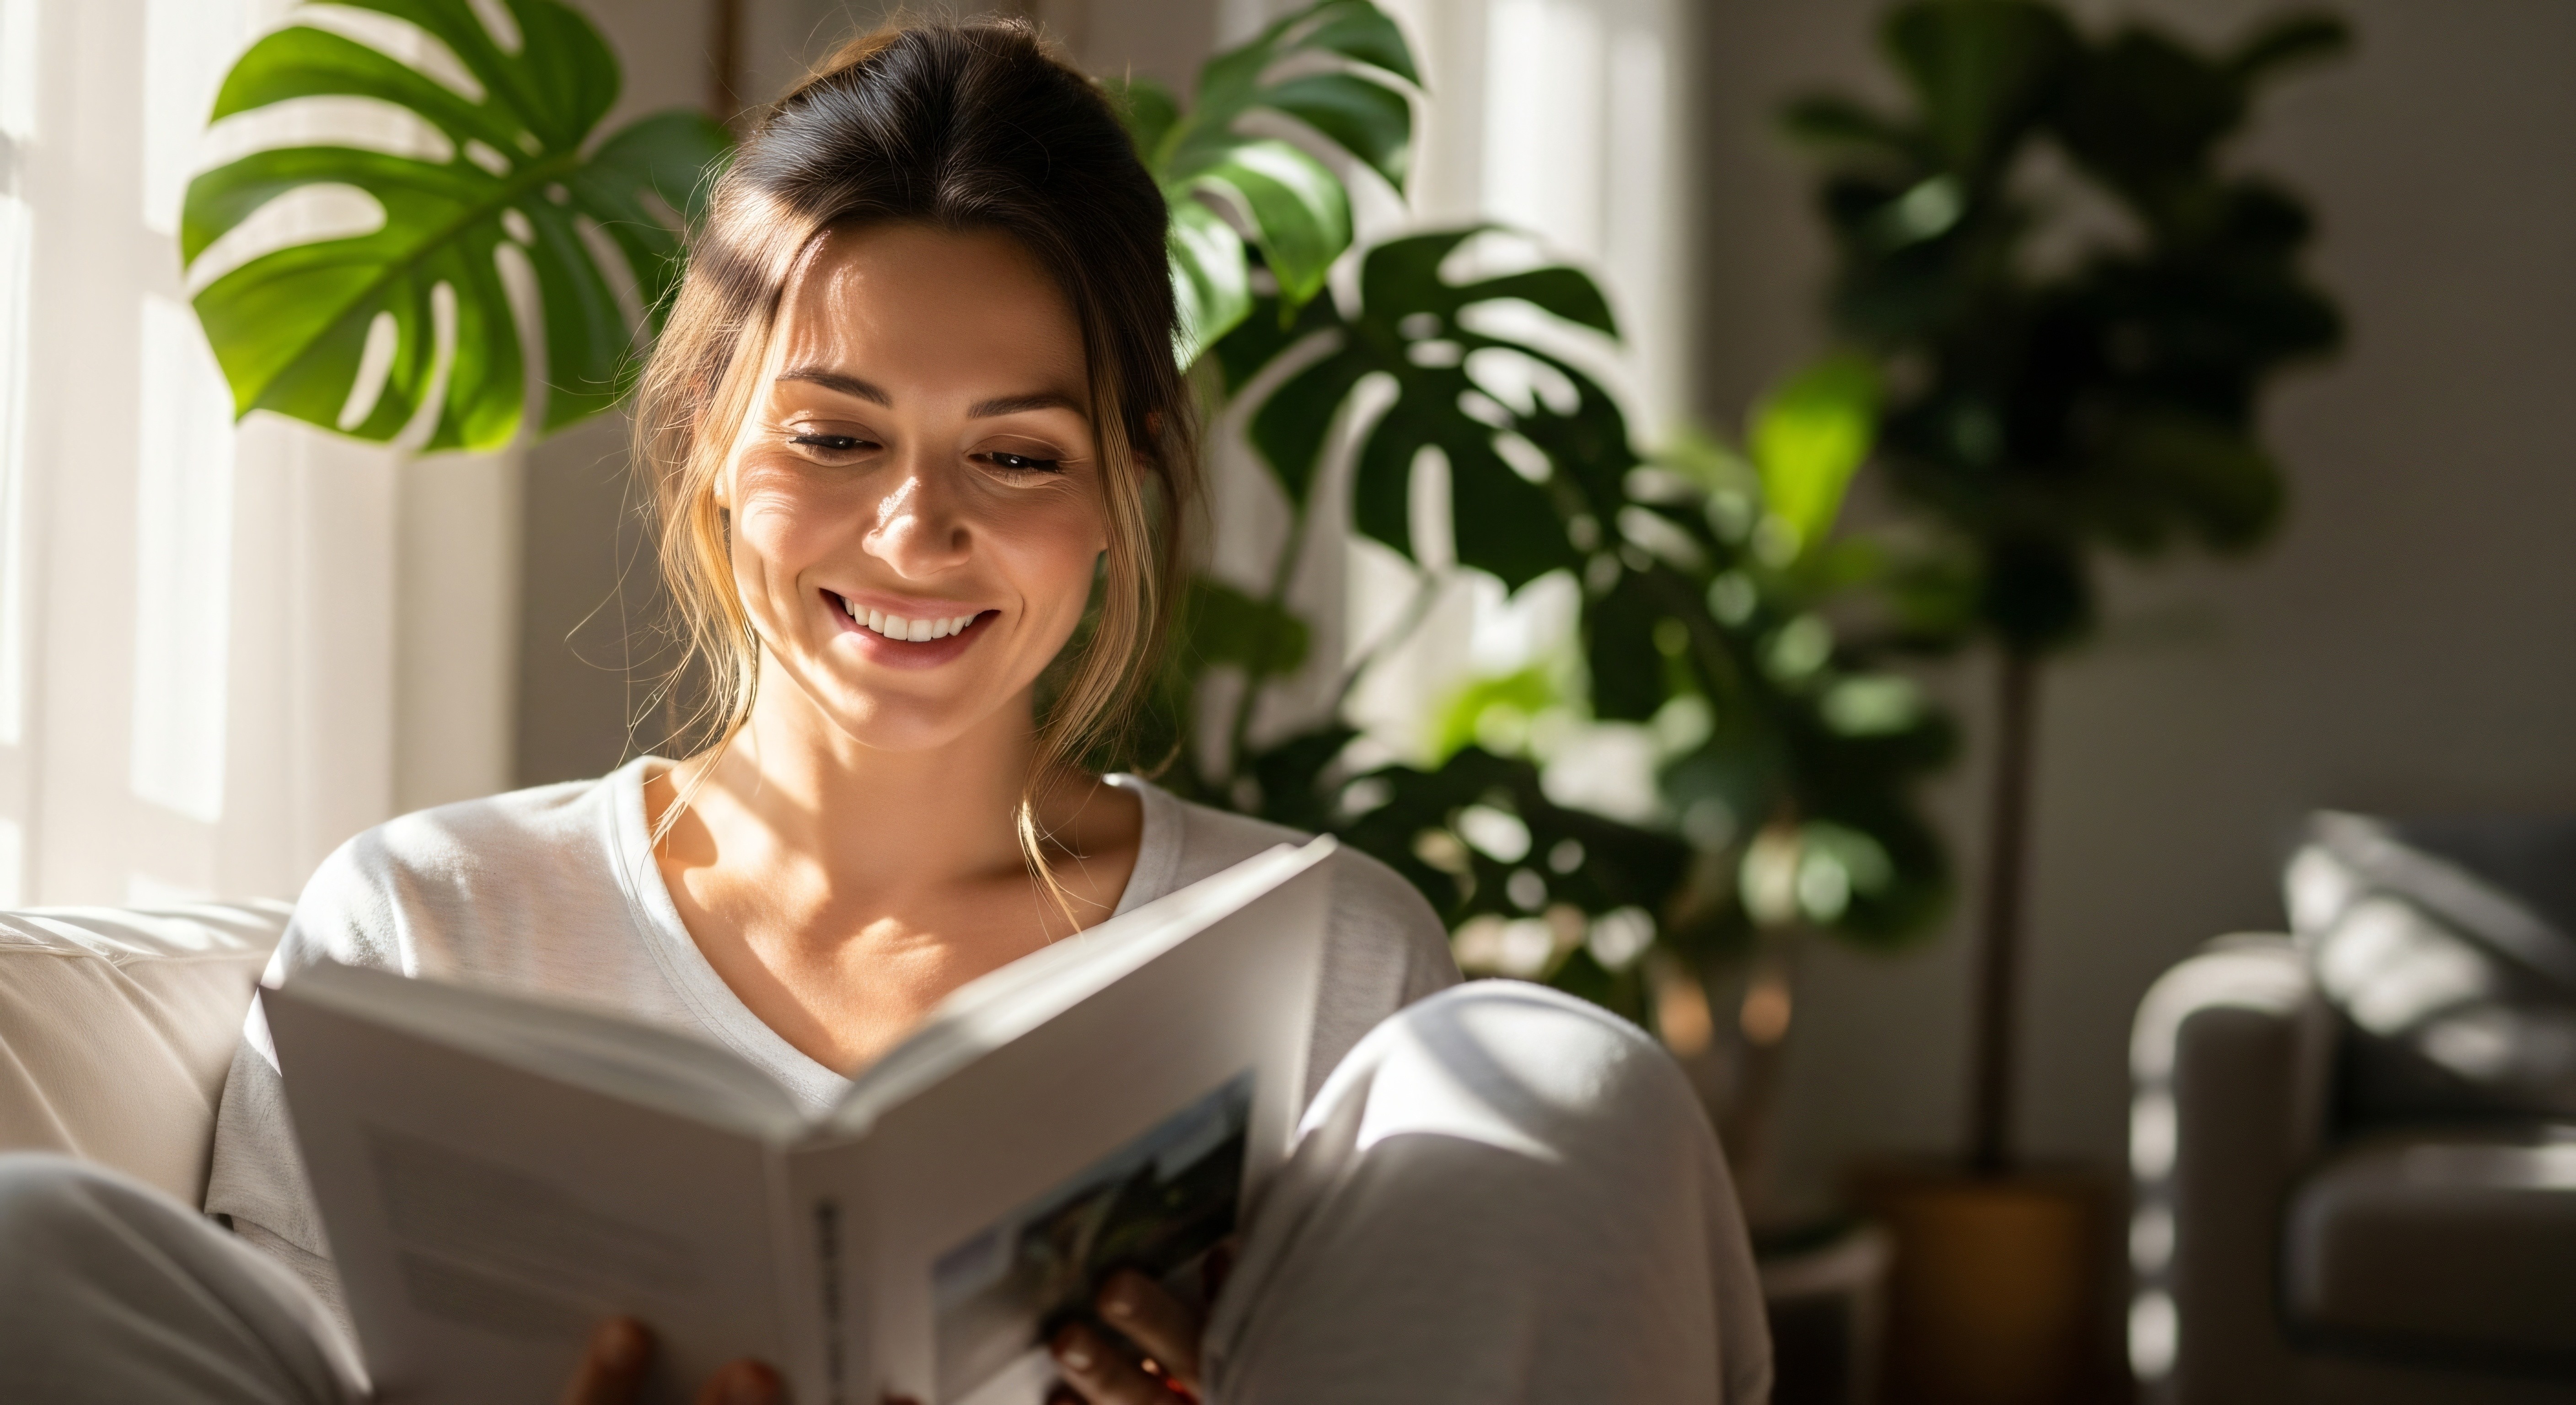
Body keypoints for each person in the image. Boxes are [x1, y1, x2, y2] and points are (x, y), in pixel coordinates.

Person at [0, 19, 1766, 1405]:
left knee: (1559, 1073)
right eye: (835, 437)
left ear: (1122, 488)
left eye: (1019, 456)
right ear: (708, 448)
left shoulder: (1326, 960)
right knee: (36, 1238)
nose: (918, 532)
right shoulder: (428, 924)